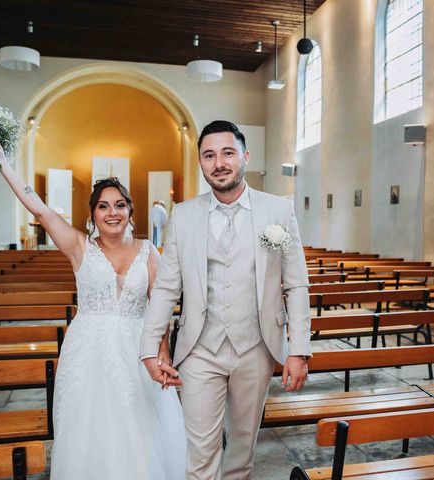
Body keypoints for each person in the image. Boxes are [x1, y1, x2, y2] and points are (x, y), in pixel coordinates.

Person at [0, 138, 185, 480]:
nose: (112, 213)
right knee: (90, 428)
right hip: (88, 350)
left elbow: (160, 308)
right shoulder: (79, 247)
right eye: (103, 207)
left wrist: (162, 349)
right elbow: (40, 208)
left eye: (120, 205)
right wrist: (1, 162)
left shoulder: (150, 252)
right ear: (92, 214)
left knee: (140, 426)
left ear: (130, 211)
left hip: (138, 350)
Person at [140, 120, 311, 479]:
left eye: (228, 153)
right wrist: (148, 348)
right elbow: (167, 285)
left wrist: (298, 350)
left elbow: (295, 285)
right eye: (209, 155)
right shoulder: (184, 215)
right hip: (200, 348)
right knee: (200, 456)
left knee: (242, 452)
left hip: (257, 347)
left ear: (245, 157)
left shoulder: (277, 212)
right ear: (201, 162)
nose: (219, 162)